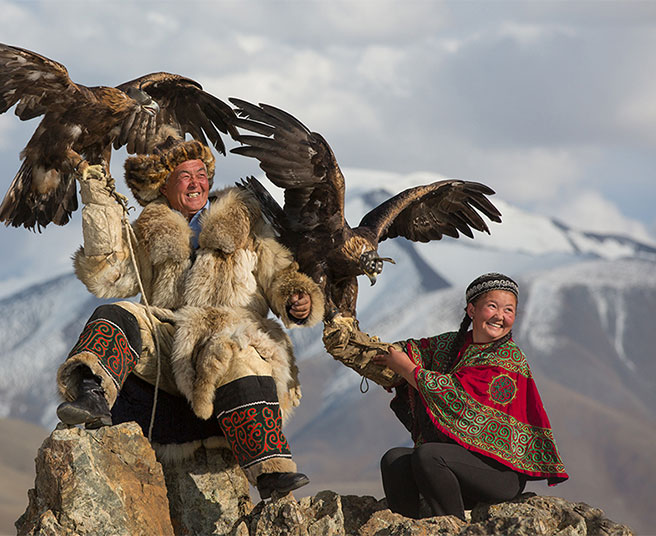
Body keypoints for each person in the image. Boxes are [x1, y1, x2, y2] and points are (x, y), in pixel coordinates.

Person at [54, 139, 324, 500]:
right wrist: (96, 197)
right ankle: (91, 395)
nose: (196, 182)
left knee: (235, 349)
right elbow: (107, 275)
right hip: (175, 352)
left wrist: (297, 299)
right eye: (184, 176)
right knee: (118, 314)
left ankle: (270, 472)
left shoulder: (246, 222)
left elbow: (282, 276)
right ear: (164, 185)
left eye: (202, 173)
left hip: (239, 345)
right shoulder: (150, 230)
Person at [371, 273, 568, 520]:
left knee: (429, 455)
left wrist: (407, 370)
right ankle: (410, 526)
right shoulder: (453, 345)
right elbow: (412, 350)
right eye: (492, 306)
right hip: (457, 464)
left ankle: (452, 527)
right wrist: (375, 358)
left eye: (509, 310)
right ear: (472, 310)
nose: (500, 316)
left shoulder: (508, 358)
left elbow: (455, 395)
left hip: (499, 472)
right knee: (394, 459)